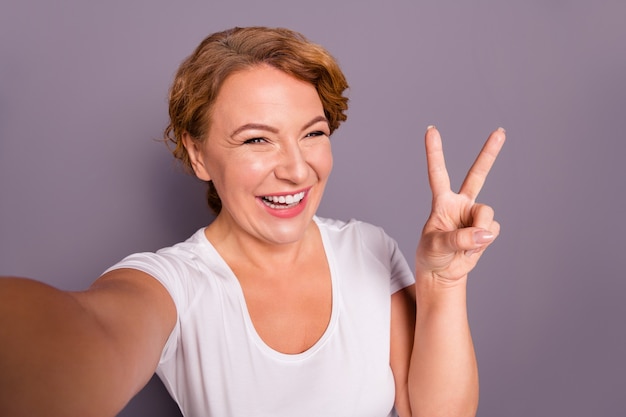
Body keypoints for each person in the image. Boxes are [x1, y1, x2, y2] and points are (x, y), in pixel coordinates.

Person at [0, 26, 505, 417]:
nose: (296, 167)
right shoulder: (173, 284)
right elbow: (90, 335)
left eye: (313, 133)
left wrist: (442, 282)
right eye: (256, 139)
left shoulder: (367, 249)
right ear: (198, 155)